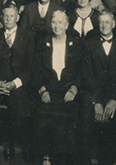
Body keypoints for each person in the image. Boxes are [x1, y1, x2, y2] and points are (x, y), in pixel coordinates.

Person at [0, 5, 35, 161]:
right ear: (1, 18)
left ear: (17, 17)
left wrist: (14, 84)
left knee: (18, 109)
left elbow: (31, 66)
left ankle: (9, 142)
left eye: (12, 16)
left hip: (16, 84)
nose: (8, 19)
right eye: (5, 16)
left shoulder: (28, 37)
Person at [82, 10, 116, 165]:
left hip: (114, 98)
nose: (104, 25)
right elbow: (87, 75)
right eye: (101, 22)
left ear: (114, 24)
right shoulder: (89, 45)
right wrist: (95, 102)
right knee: (85, 121)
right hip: (93, 96)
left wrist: (114, 100)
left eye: (107, 22)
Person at [33, 10, 81, 165]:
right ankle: (45, 157)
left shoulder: (75, 43)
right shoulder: (43, 42)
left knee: (68, 121)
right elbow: (36, 69)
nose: (56, 25)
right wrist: (42, 89)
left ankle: (63, 159)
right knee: (43, 117)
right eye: (53, 22)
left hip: (68, 91)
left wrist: (74, 88)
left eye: (60, 22)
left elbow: (82, 70)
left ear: (66, 25)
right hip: (48, 90)